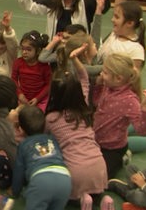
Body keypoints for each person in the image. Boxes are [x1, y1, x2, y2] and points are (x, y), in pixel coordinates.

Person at [44, 46, 112, 209]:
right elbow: (84, 78)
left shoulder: (52, 119)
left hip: (75, 171)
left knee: (66, 190)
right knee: (94, 188)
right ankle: (102, 200)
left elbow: (45, 140)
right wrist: (75, 59)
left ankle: (81, 200)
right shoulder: (84, 109)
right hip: (99, 165)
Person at [93, 53, 146, 179]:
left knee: (100, 177)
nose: (101, 74)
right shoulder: (108, 86)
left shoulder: (130, 101)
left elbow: (142, 130)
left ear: (118, 78)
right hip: (97, 140)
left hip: (112, 148)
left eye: (105, 73)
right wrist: (98, 86)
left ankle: (123, 157)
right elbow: (96, 102)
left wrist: (145, 108)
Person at [11, 105, 72, 210]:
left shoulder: (24, 145)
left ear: (20, 129)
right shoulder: (52, 139)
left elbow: (19, 171)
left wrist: (15, 191)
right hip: (65, 178)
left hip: (41, 180)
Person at [11, 30, 51, 111]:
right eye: (22, 49)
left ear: (38, 51)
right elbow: (13, 79)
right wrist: (20, 94)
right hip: (23, 98)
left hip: (40, 100)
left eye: (28, 49)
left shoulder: (44, 66)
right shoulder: (18, 63)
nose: (24, 52)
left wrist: (37, 98)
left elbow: (49, 84)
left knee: (37, 117)